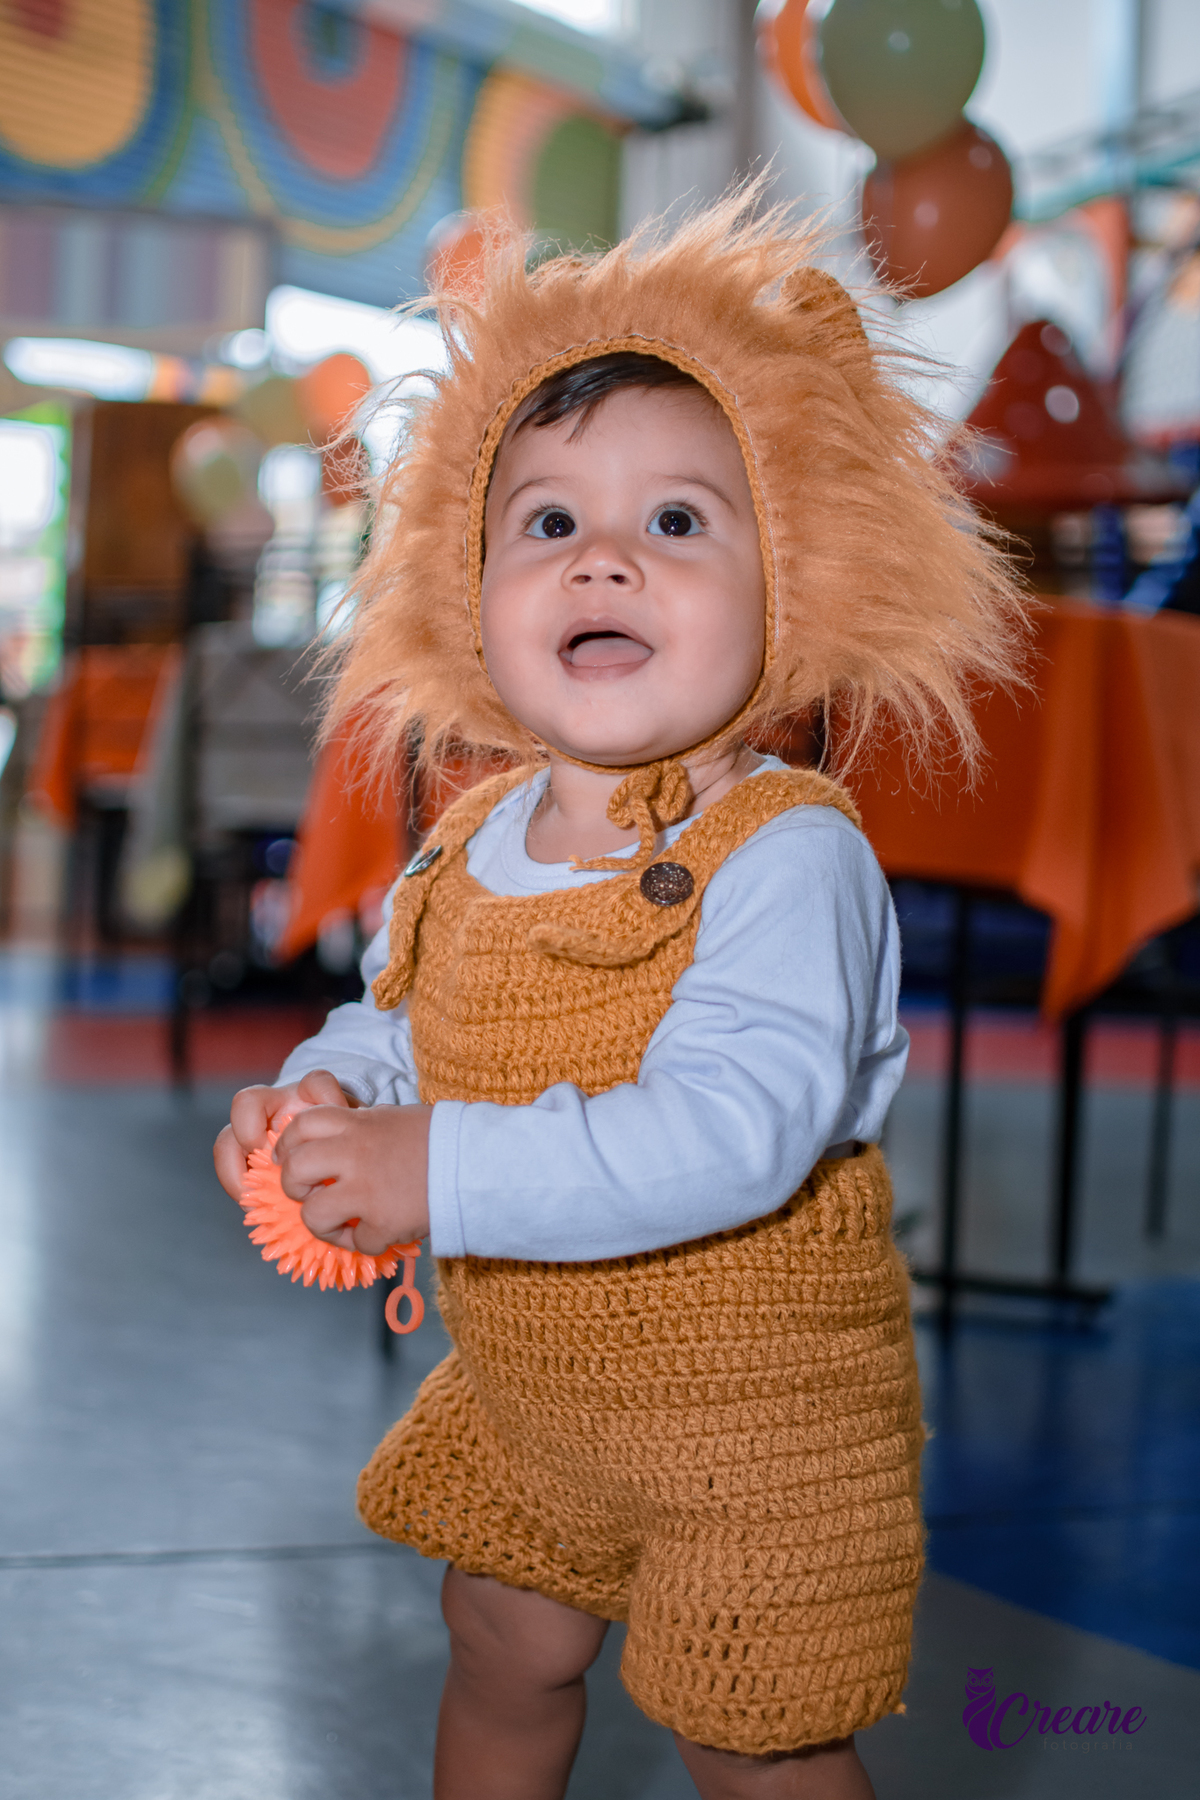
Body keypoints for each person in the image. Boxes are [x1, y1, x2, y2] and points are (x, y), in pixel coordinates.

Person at [214, 194, 1023, 1799]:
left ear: (789, 581)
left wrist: (432, 1167)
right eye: (547, 523)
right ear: (468, 586)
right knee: (498, 1638)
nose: (603, 556)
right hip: (541, 1401)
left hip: (759, 1433)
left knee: (756, 1738)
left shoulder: (783, 859)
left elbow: (729, 1133)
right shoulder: (473, 839)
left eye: (676, 523)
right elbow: (404, 1016)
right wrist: (331, 1094)